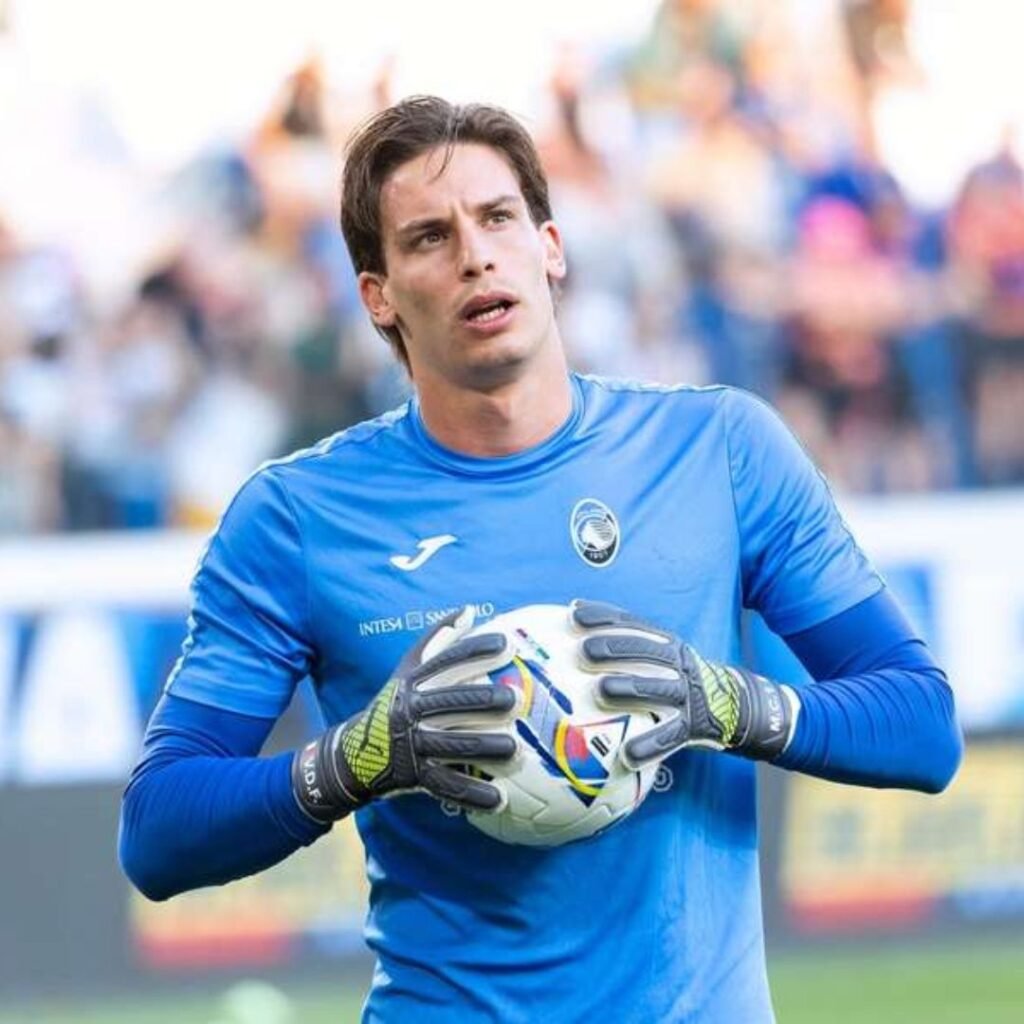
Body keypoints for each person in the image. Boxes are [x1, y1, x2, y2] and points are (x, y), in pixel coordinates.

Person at [119, 96, 962, 1024]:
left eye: (497, 218)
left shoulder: (721, 450)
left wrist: (728, 705)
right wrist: (357, 761)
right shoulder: (297, 518)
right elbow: (158, 829)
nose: (476, 255)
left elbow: (922, 724)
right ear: (378, 296)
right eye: (430, 237)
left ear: (550, 247)